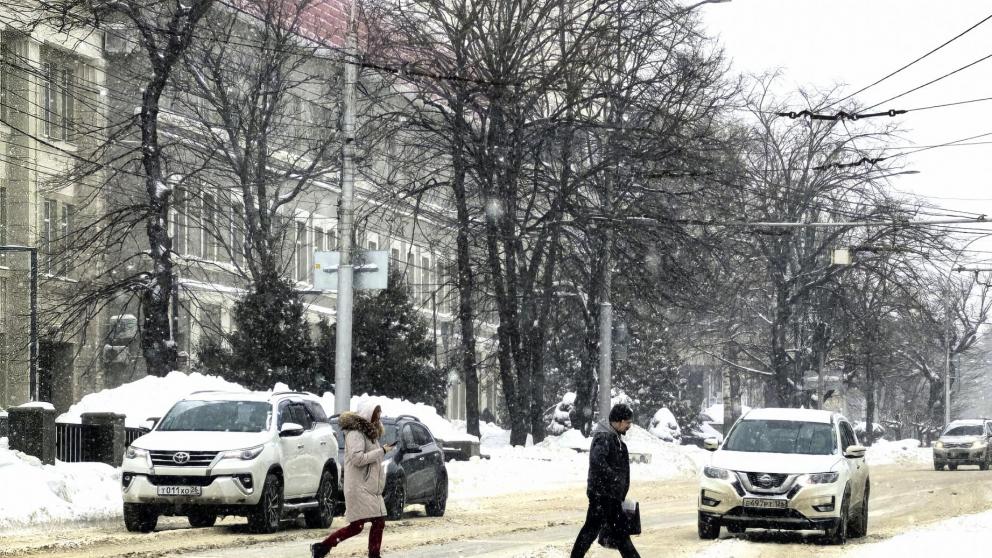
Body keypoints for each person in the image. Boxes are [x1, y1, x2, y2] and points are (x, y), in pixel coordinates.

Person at [311, 402, 396, 558]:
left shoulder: (370, 434)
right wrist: (382, 451)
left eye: (379, 413)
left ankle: (373, 554)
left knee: (378, 522)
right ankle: (323, 547)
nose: (378, 417)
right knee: (357, 526)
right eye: (375, 414)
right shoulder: (355, 433)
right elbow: (358, 459)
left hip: (369, 488)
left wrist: (381, 450)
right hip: (358, 487)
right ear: (367, 414)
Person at [570, 403, 640, 558]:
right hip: (602, 495)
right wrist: (614, 479)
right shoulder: (603, 437)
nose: (629, 426)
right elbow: (597, 462)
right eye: (628, 423)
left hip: (611, 496)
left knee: (620, 534)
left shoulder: (615, 438)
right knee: (591, 530)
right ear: (620, 421)